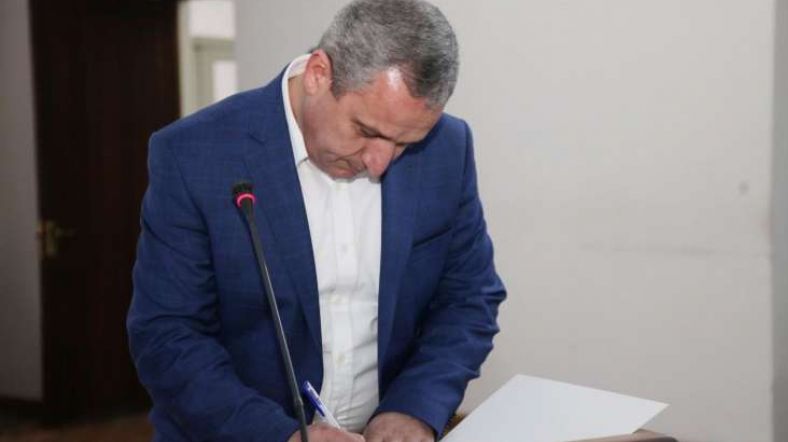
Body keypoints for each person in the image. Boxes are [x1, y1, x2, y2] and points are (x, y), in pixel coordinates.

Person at [127, 1, 505, 441]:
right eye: (367, 131)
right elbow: (167, 336)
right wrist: (282, 436)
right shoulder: (194, 154)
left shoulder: (447, 148)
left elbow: (468, 298)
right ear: (318, 75)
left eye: (405, 143)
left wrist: (413, 408)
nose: (379, 162)